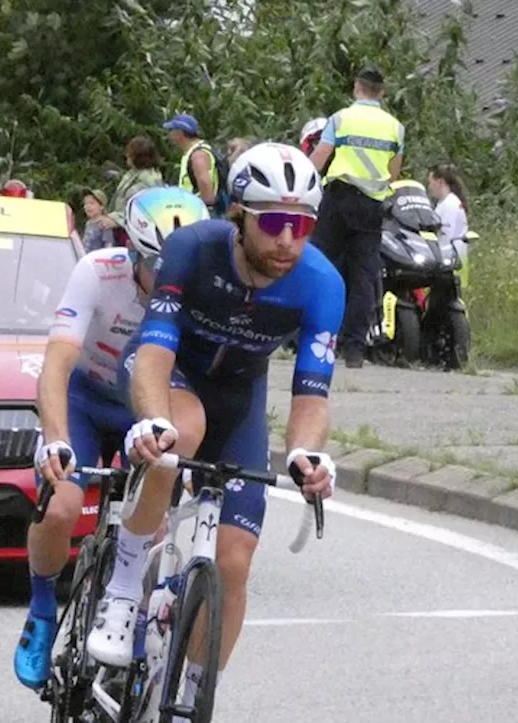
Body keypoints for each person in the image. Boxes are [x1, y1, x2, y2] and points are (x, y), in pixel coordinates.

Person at [84, 143, 343, 705]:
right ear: (238, 216)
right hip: (170, 373)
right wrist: (153, 418)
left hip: (241, 398)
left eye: (302, 226)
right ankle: (125, 585)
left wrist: (306, 455)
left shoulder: (322, 283)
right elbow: (154, 348)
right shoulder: (191, 250)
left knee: (233, 563)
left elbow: (311, 392)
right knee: (185, 429)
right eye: (273, 223)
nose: (287, 240)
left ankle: (193, 696)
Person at [12, 187, 211, 690]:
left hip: (148, 411)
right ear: (135, 254)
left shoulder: (200, 290)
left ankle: (138, 634)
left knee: (157, 530)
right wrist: (54, 438)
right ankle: (40, 611)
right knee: (60, 508)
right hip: (86, 399)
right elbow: (56, 363)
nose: (171, 282)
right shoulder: (99, 271)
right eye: (158, 268)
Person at [308, 65, 405, 368]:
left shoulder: (341, 118)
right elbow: (394, 172)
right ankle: (354, 349)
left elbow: (319, 159)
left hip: (339, 199)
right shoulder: (395, 127)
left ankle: (315, 337)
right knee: (364, 278)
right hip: (371, 207)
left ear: (356, 88)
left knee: (320, 267)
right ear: (382, 92)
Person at [163, 113, 224, 217]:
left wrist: (205, 210)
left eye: (171, 131)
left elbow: (205, 183)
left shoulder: (198, 155)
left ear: (179, 133)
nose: (169, 135)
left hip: (200, 212)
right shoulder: (193, 152)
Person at [428, 163, 469, 262]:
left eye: (430, 182)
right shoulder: (445, 203)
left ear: (440, 182)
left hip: (452, 260)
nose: (429, 187)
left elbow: (445, 236)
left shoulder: (449, 204)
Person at [80, 188, 116, 252]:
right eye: (85, 204)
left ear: (101, 206)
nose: (88, 206)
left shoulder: (105, 223)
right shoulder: (88, 223)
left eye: (91, 203)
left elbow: (108, 244)